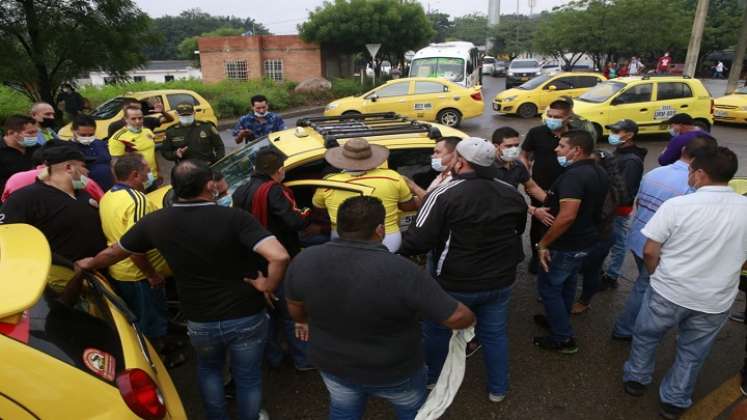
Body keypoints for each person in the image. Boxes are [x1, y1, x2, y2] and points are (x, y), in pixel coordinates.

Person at [76, 159, 290, 420]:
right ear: (209, 185)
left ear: (174, 187)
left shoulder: (157, 221)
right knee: (248, 375)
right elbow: (278, 256)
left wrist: (90, 263)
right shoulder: (235, 218)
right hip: (245, 312)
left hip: (199, 318)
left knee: (209, 370)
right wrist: (267, 284)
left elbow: (113, 253)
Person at [285, 196, 475, 420]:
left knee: (343, 410)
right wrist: (471, 317)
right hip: (395, 369)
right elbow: (457, 317)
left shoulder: (304, 259)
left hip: (333, 364)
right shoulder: (402, 270)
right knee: (412, 412)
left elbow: (295, 308)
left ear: (339, 225)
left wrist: (302, 321)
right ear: (380, 230)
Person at [622, 147, 747, 420]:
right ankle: (674, 400)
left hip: (669, 290)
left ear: (700, 174)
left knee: (646, 336)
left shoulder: (678, 206)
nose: (689, 176)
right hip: (715, 300)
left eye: (691, 171)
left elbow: (650, 251)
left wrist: (655, 274)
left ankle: (636, 379)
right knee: (692, 352)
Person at [400, 137, 528, 402]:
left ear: (461, 162)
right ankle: (498, 389)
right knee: (494, 334)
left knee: (436, 330)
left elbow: (416, 241)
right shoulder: (511, 192)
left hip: (454, 282)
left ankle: (434, 378)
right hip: (500, 280)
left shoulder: (443, 194)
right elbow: (517, 230)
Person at [612, 135, 718, 340]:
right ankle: (627, 329)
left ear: (683, 150)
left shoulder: (655, 172)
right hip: (660, 248)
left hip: (638, 238)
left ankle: (626, 327)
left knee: (642, 285)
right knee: (646, 288)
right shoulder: (694, 185)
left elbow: (640, 203)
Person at [98, 153, 184, 366]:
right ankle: (159, 360)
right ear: (135, 174)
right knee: (150, 321)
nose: (150, 174)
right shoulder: (136, 201)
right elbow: (136, 244)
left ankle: (164, 344)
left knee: (147, 316)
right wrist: (151, 274)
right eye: (146, 171)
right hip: (138, 273)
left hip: (122, 270)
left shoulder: (108, 196)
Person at [232, 147, 312, 371]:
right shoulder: (275, 191)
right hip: (279, 259)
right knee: (291, 313)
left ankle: (274, 359)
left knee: (266, 315)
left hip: (254, 260)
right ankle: (303, 360)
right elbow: (295, 221)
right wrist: (308, 211)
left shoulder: (240, 191)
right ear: (278, 171)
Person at [532, 130, 609, 353]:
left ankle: (563, 337)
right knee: (567, 283)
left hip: (565, 244)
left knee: (549, 288)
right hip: (585, 241)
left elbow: (567, 215)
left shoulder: (574, 177)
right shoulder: (597, 171)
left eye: (563, 146)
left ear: (577, 151)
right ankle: (560, 320)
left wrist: (544, 244)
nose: (557, 149)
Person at [0, 143, 107, 271]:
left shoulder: (82, 192)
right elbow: (9, 239)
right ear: (69, 167)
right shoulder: (25, 198)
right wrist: (68, 264)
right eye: (84, 166)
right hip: (56, 276)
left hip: (96, 272)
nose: (88, 171)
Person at [521, 98, 594, 273]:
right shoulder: (536, 132)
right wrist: (526, 175)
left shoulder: (576, 136)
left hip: (568, 190)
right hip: (539, 189)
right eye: (549, 115)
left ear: (568, 117)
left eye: (557, 116)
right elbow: (524, 154)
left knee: (563, 222)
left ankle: (559, 258)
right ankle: (537, 256)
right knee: (539, 224)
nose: (551, 119)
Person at [312, 138, 417, 252]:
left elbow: (319, 212)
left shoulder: (329, 183)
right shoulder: (393, 177)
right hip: (387, 238)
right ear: (372, 158)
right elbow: (408, 207)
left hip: (343, 239)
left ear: (342, 159)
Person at [597, 119, 647, 292]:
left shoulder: (632, 160)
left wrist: (610, 204)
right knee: (606, 238)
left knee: (618, 241)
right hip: (610, 206)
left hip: (618, 208)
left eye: (616, 132)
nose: (612, 135)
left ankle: (612, 275)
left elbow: (624, 189)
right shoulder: (619, 152)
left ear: (630, 135)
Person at [2, 140, 105, 203]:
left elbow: (5, 203)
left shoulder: (16, 179)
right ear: (68, 165)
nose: (86, 170)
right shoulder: (80, 181)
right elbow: (103, 204)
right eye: (82, 165)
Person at [109, 106, 160, 188]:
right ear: (126, 119)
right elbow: (115, 164)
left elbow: (152, 152)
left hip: (152, 176)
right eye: (133, 119)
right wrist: (121, 186)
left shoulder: (147, 131)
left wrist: (158, 172)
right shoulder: (118, 138)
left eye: (140, 118)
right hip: (135, 180)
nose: (138, 121)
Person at [403, 137, 461, 203]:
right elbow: (426, 198)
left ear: (454, 155)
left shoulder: (456, 180)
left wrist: (412, 185)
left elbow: (436, 203)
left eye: (437, 152)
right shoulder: (442, 175)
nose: (432, 156)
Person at [69, 114, 113, 191]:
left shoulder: (101, 144)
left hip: (110, 190)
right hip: (89, 192)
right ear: (73, 130)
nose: (87, 138)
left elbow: (111, 164)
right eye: (83, 135)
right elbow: (72, 179)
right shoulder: (68, 149)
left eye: (91, 134)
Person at [0, 115, 41, 193]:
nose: (35, 136)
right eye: (30, 133)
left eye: (36, 132)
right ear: (11, 132)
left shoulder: (36, 148)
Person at [107, 97, 174, 139]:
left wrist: (163, 112)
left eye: (138, 108)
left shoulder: (148, 121)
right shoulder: (114, 126)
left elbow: (170, 119)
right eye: (132, 108)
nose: (137, 121)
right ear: (124, 109)